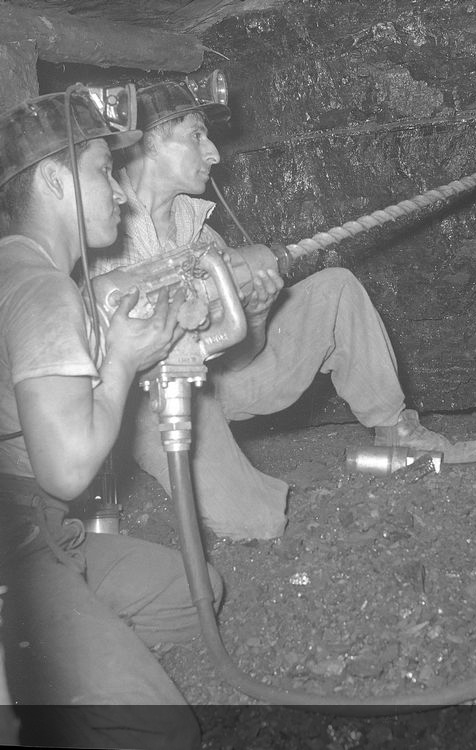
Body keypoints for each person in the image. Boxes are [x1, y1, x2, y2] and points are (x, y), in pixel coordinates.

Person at [92, 79, 476, 542]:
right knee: (257, 522)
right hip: (146, 404)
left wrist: (257, 317)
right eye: (197, 136)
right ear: (150, 142)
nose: (215, 154)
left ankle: (396, 432)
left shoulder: (200, 231)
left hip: (212, 385)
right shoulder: (103, 228)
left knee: (335, 289)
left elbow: (239, 356)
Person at [0, 89, 223, 749]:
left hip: (40, 536)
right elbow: (67, 470)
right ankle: (50, 659)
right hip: (15, 551)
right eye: (101, 172)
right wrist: (125, 361)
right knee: (158, 733)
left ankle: (67, 640)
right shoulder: (42, 290)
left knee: (196, 591)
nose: (120, 193)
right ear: (52, 178)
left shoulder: (20, 271)